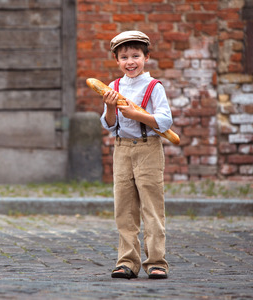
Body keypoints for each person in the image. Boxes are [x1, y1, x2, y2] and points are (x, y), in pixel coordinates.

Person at [100, 30, 172, 280]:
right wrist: (111, 106)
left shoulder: (154, 86)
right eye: (124, 57)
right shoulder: (113, 87)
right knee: (124, 207)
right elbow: (109, 124)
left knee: (152, 206)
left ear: (146, 57)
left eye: (135, 56)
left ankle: (156, 261)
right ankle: (127, 261)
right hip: (122, 148)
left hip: (147, 148)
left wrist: (137, 115)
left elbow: (164, 120)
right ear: (117, 60)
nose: (130, 62)